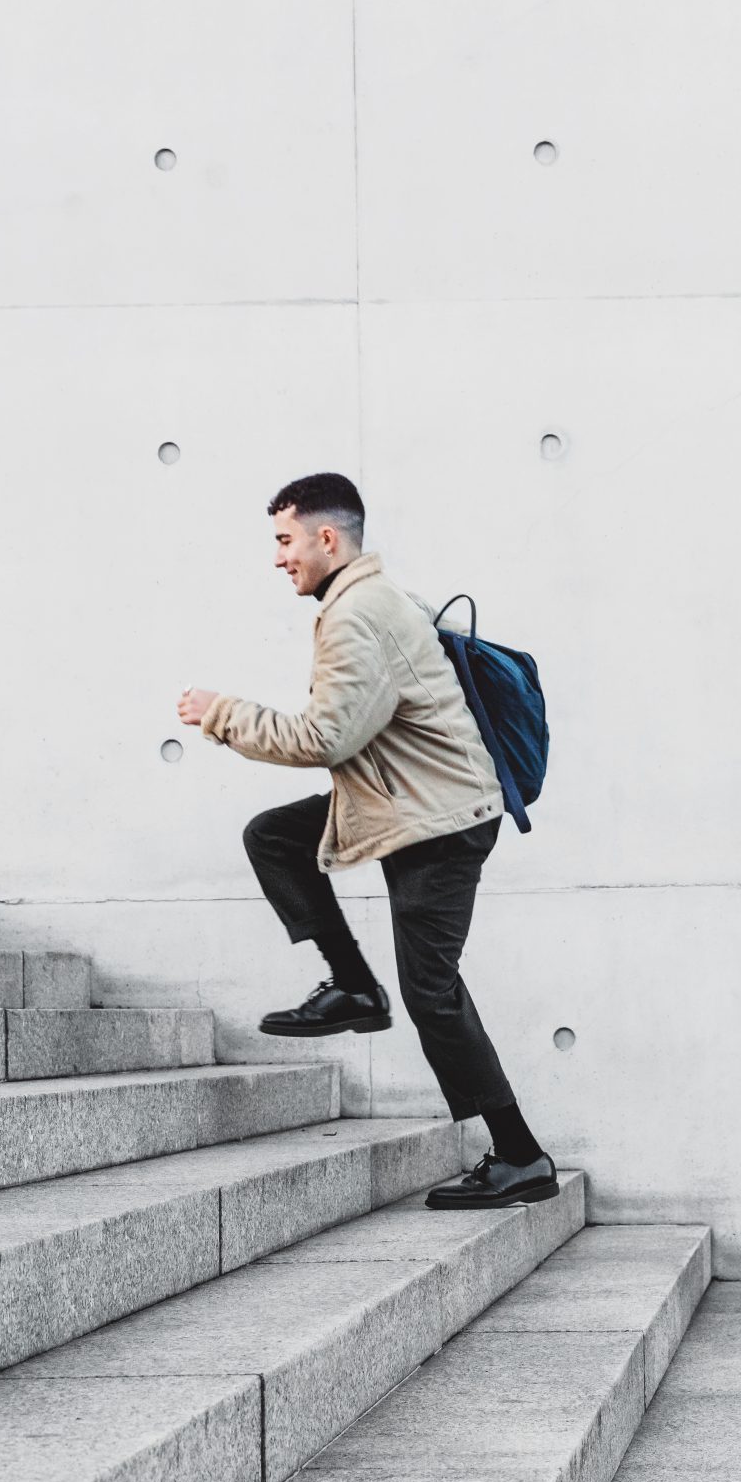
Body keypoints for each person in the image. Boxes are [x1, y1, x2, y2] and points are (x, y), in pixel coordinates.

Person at [175, 472, 555, 1210]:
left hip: (438, 822)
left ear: (327, 537)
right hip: (401, 802)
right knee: (277, 837)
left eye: (285, 541)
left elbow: (325, 736)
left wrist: (222, 712)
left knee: (433, 993)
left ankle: (520, 1156)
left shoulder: (356, 615)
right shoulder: (372, 598)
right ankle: (353, 985)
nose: (279, 558)